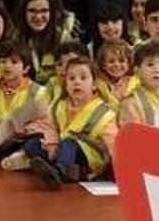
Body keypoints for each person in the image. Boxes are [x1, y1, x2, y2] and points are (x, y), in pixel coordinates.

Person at [25, 56, 118, 189]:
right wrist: (52, 144)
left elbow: (112, 142)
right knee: (32, 145)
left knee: (69, 144)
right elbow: (50, 127)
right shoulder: (59, 105)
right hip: (61, 147)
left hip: (89, 155)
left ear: (94, 84)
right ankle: (68, 171)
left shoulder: (103, 113)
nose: (77, 82)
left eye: (83, 78)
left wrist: (119, 166)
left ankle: (60, 172)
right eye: (71, 78)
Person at [0, 40, 51, 171]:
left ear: (26, 68)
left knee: (38, 141)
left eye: (14, 62)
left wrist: (23, 131)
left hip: (22, 137)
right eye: (2, 61)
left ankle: (21, 157)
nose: (7, 66)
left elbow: (44, 121)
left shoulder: (38, 92)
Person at [14, 0, 72, 85]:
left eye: (44, 11)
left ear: (51, 13)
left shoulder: (63, 38)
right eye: (32, 11)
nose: (38, 17)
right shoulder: (16, 37)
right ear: (24, 13)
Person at [95, 40, 138, 111]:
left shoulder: (138, 82)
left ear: (129, 63)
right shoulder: (99, 86)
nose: (116, 65)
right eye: (111, 61)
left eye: (121, 60)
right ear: (103, 65)